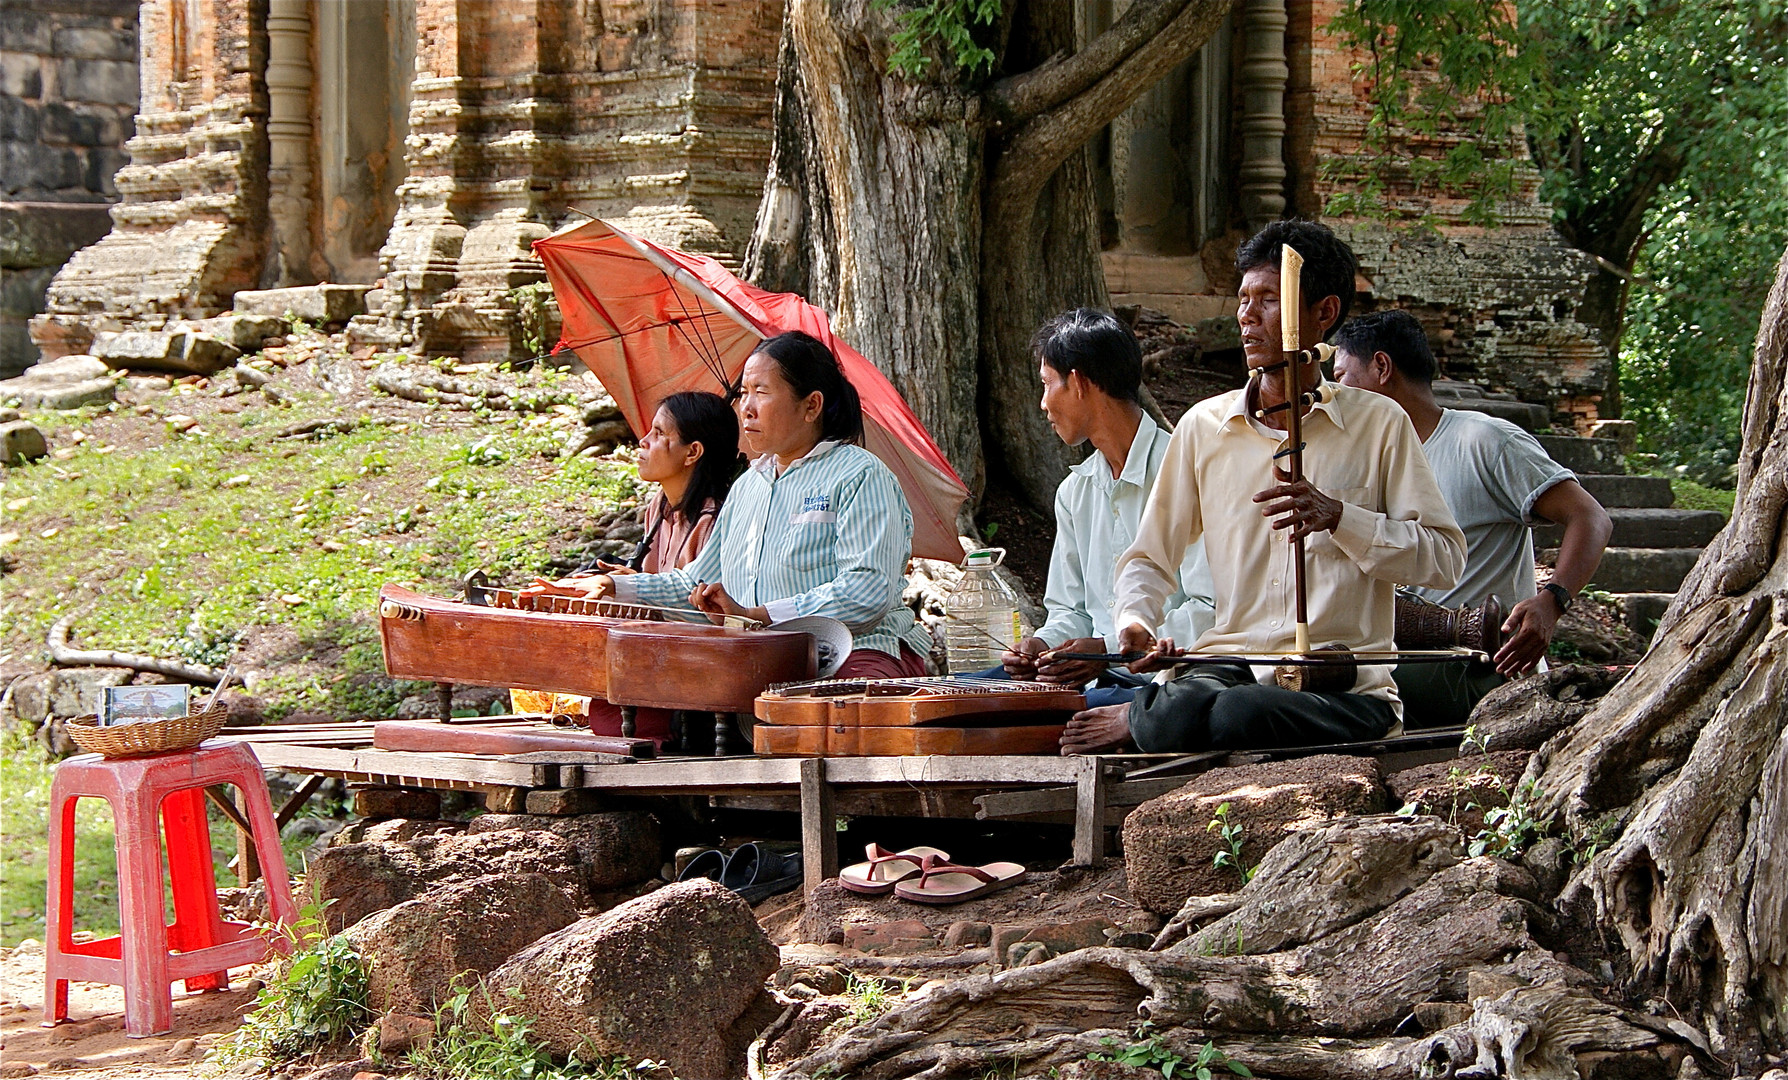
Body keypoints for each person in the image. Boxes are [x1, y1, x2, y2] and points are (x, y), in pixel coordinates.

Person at [1060, 219, 1466, 755]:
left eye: (1269, 300)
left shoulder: (1380, 423)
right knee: (1189, 700)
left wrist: (1341, 518)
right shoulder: (1204, 428)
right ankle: (1153, 717)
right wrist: (1135, 619)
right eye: (1243, 300)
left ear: (1324, 313)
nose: (1247, 317)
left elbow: (1443, 558)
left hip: (1338, 683)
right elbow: (1149, 557)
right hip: (1227, 664)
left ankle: (1146, 720)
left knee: (1235, 711)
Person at [547, 330, 931, 678]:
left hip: (854, 652)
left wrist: (760, 617)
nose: (746, 408)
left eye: (761, 392)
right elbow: (696, 581)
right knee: (625, 697)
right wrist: (613, 587)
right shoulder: (749, 485)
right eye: (743, 392)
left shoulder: (859, 475)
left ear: (811, 406)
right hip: (762, 657)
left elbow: (867, 591)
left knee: (838, 710)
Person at [1331, 309, 1611, 725]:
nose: (1335, 391)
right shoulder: (1369, 460)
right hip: (1398, 655)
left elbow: (1591, 518)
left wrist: (1552, 602)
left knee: (1324, 689)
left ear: (1381, 367)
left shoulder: (1483, 440)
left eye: (1341, 375)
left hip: (1479, 668)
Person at [997, 308, 1215, 708]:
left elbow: (1210, 609)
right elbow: (1070, 610)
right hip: (1096, 684)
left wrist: (1108, 651)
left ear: (1078, 382)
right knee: (976, 689)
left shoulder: (1187, 471)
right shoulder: (1075, 491)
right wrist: (1042, 645)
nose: (1044, 404)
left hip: (1169, 684)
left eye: (1047, 385)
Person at [515, 390, 741, 739]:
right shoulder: (659, 507)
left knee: (610, 715)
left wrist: (626, 586)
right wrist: (631, 578)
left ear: (692, 452)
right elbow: (654, 578)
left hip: (690, 666)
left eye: (659, 434)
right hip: (649, 651)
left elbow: (694, 600)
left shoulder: (714, 518)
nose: (643, 442)